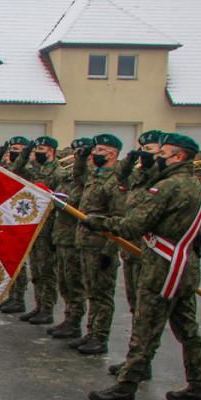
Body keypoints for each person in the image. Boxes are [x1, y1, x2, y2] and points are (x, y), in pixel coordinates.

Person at [84, 133, 201, 400]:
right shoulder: (199, 186)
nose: (157, 158)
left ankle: (126, 387)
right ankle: (199, 385)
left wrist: (101, 223)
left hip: (163, 268)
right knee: (187, 329)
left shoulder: (167, 187)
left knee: (146, 327)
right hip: (185, 267)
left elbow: (134, 225)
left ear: (179, 156)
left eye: (163, 153)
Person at [106, 130, 163, 380]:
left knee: (146, 312)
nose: (145, 154)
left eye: (150, 149)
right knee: (134, 308)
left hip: (152, 251)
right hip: (131, 251)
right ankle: (135, 360)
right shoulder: (139, 175)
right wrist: (131, 160)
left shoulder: (164, 178)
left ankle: (141, 363)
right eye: (143, 149)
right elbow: (119, 178)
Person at [69, 133, 123, 355]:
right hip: (87, 243)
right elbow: (78, 175)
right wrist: (81, 159)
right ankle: (91, 333)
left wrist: (110, 251)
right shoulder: (96, 176)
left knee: (101, 294)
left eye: (99, 150)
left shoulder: (116, 181)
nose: (94, 153)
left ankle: (100, 337)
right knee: (91, 291)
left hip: (102, 245)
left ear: (112, 154)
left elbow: (118, 217)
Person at [12, 136, 63, 325]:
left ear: (51, 151)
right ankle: (39, 306)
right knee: (36, 270)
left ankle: (47, 308)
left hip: (48, 227)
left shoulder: (58, 172)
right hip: (34, 225)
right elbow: (15, 172)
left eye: (41, 148)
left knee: (47, 270)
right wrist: (23, 156)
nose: (38, 152)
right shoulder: (34, 170)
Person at [47, 138, 91, 339]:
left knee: (75, 283)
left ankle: (75, 322)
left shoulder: (87, 179)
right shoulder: (68, 178)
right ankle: (68, 319)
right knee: (64, 282)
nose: (75, 156)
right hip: (62, 235)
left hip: (76, 238)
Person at [0, 136, 31, 313]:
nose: (14, 152)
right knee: (9, 261)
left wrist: (23, 157)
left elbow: (15, 172)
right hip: (6, 218)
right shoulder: (11, 165)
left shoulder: (28, 169)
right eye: (12, 149)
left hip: (20, 220)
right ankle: (13, 296)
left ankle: (19, 298)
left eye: (18, 148)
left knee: (20, 263)